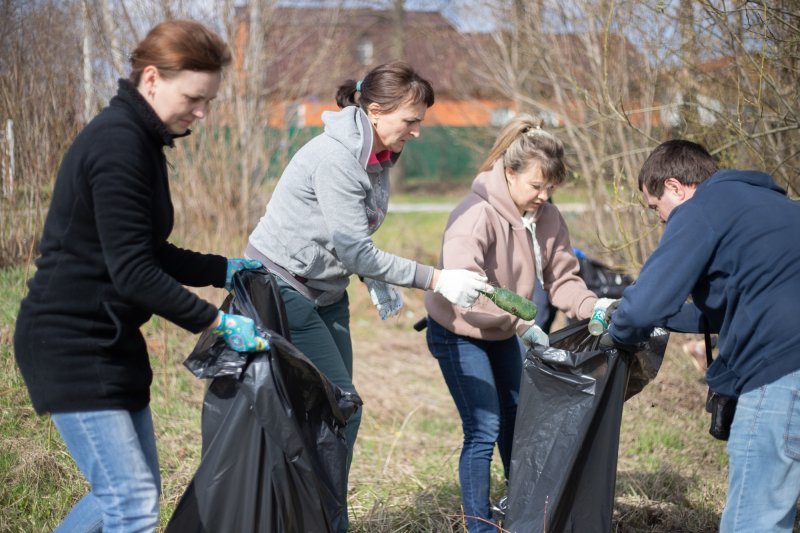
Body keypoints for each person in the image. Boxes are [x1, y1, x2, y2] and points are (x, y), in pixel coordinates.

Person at [13, 20, 266, 532]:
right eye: (194, 98)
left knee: (125, 497)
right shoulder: (117, 144)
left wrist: (223, 269)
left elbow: (148, 250)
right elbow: (133, 273)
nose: (201, 112)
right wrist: (216, 324)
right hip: (70, 344)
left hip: (109, 342)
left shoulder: (143, 141)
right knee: (129, 503)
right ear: (151, 79)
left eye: (208, 101)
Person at [244, 60, 492, 531]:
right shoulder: (338, 158)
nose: (417, 132)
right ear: (375, 111)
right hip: (281, 286)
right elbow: (355, 249)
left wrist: (373, 278)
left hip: (326, 289)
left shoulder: (377, 155)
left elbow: (350, 233)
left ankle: (316, 513)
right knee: (341, 406)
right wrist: (435, 279)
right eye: (411, 120)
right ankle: (311, 516)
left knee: (337, 412)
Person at [600, 139, 800, 532]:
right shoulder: (771, 205)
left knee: (754, 521)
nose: (660, 219)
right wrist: (666, 318)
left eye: (656, 207)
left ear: (675, 186)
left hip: (780, 373)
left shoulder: (701, 210)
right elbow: (737, 304)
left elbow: (641, 308)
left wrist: (616, 331)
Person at [424, 114, 599, 532]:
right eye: (536, 186)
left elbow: (563, 278)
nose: (544, 195)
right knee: (484, 426)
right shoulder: (475, 215)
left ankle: (522, 514)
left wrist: (594, 308)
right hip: (458, 331)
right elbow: (465, 290)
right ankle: (479, 525)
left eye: (551, 187)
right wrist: (520, 324)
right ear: (510, 172)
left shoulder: (547, 217)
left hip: (501, 332)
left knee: (518, 422)